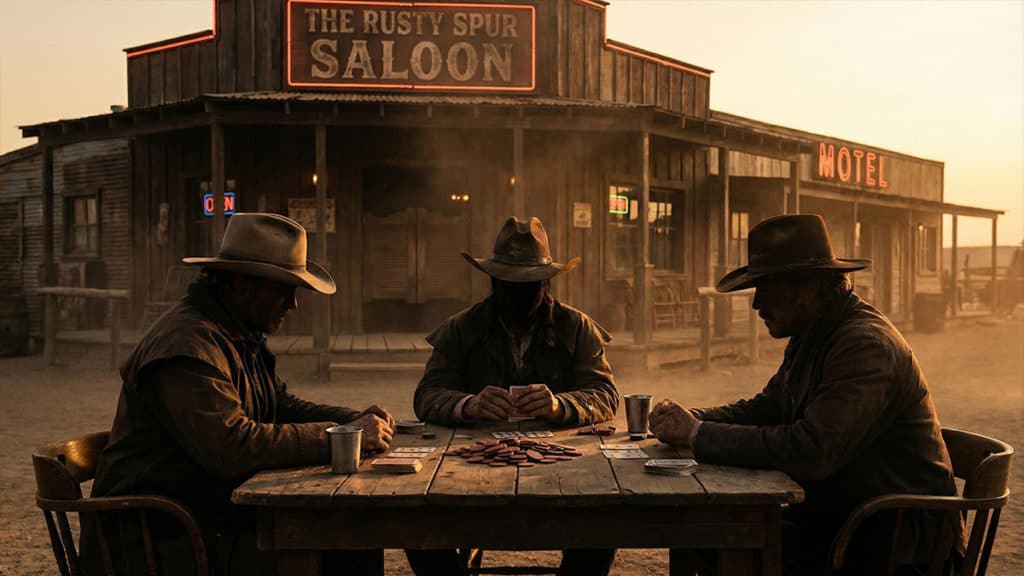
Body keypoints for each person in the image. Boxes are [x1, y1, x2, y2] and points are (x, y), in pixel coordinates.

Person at [84, 212, 395, 576]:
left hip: (205, 514)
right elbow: (232, 447)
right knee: (342, 537)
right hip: (159, 537)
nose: (293, 305)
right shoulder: (187, 345)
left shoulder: (235, 332)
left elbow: (278, 404)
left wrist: (353, 419)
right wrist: (344, 437)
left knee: (350, 530)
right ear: (242, 284)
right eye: (284, 289)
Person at [649, 214, 960, 576]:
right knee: (700, 538)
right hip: (842, 523)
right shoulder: (815, 331)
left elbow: (811, 451)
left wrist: (696, 434)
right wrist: (694, 418)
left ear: (809, 286)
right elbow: (769, 407)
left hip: (893, 545)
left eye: (765, 288)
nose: (756, 305)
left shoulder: (865, 346)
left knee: (720, 543)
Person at [409, 216, 619, 576]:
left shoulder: (577, 327)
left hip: (565, 467)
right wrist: (467, 404)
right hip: (469, 467)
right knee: (417, 526)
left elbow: (605, 393)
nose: (521, 296)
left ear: (547, 283)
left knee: (603, 523)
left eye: (531, 287)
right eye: (511, 286)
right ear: (493, 281)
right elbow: (428, 394)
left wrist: (561, 405)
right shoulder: (462, 328)